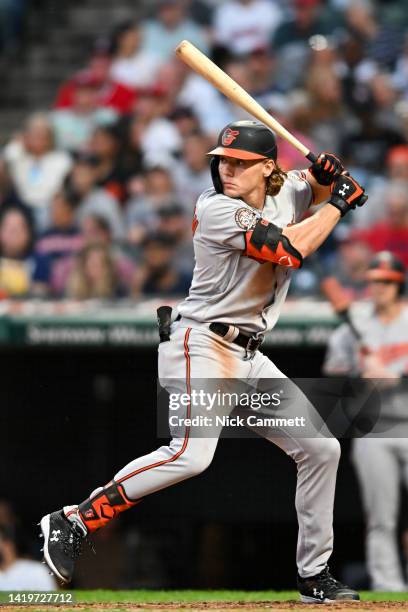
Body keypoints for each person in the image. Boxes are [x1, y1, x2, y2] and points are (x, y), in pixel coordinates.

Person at [39, 120, 366, 602]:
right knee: (191, 455)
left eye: (240, 163)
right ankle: (73, 520)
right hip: (201, 344)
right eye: (223, 161)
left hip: (248, 354)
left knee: (322, 449)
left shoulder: (287, 191)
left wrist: (328, 174)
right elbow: (290, 250)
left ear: (268, 168)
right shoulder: (216, 209)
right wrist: (338, 201)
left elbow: (313, 184)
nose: (227, 169)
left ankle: (313, 574)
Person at [323, 251, 408, 591]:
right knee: (380, 517)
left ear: (398, 285)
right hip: (373, 431)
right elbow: (333, 379)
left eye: (387, 282)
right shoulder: (352, 327)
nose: (380, 287)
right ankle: (389, 590)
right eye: (375, 281)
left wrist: (397, 373)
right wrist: (361, 374)